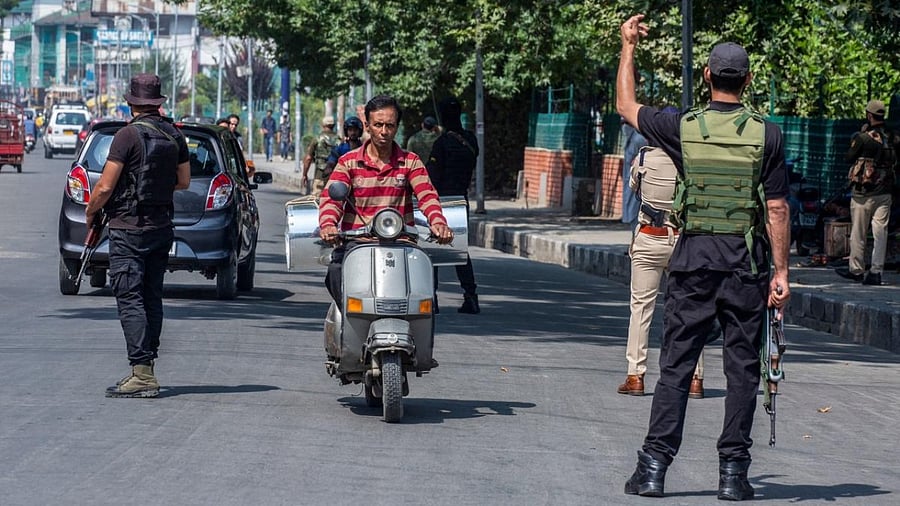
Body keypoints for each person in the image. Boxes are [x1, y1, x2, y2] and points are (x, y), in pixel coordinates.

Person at [617, 15, 791, 501]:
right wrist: (781, 273)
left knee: (675, 366)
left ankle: (653, 469)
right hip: (746, 268)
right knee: (743, 372)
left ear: (709, 77)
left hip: (693, 262)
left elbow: (625, 105)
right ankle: (733, 476)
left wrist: (628, 46)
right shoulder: (767, 135)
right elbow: (776, 209)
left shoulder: (683, 127)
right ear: (749, 80)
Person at [83, 73, 191, 398]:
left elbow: (104, 186)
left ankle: (142, 372)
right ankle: (147, 367)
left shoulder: (126, 136)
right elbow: (183, 181)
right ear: (157, 103)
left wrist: (91, 213)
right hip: (161, 227)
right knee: (151, 296)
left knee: (129, 297)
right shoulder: (175, 136)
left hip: (128, 229)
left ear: (131, 103)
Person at [318, 95, 454, 306]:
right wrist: (328, 225)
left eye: (389, 125)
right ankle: (346, 320)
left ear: (397, 127)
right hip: (357, 244)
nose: (383, 131)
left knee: (426, 285)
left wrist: (438, 222)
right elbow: (331, 199)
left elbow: (427, 195)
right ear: (367, 126)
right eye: (378, 124)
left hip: (402, 243)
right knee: (335, 271)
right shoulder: (348, 162)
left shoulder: (410, 162)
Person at [618, 146, 705, 399]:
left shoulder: (644, 157)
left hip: (649, 237)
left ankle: (635, 376)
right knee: (691, 310)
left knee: (641, 309)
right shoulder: (690, 158)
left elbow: (634, 188)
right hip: (681, 240)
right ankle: (695, 379)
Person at [426, 97, 481, 314]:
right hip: (461, 199)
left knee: (433, 249)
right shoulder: (470, 141)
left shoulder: (441, 144)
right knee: (460, 250)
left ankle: (432, 299)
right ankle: (471, 296)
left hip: (441, 201)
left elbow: (432, 178)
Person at [835, 99, 897, 286]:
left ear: (869, 115)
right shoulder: (893, 136)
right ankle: (876, 272)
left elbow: (849, 157)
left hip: (863, 193)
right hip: (885, 192)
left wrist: (861, 135)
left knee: (858, 232)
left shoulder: (864, 138)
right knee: (880, 233)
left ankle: (856, 270)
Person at [301, 116, 340, 196]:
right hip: (335, 176)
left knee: (316, 200)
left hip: (320, 175)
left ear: (323, 125)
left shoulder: (317, 139)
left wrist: (304, 174)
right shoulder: (339, 140)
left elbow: (308, 158)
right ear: (333, 126)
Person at [321, 116, 364, 181]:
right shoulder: (340, 149)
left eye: (355, 130)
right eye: (350, 130)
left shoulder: (364, 149)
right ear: (346, 132)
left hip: (361, 179)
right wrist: (329, 167)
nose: (353, 133)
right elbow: (332, 161)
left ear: (359, 131)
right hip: (343, 180)